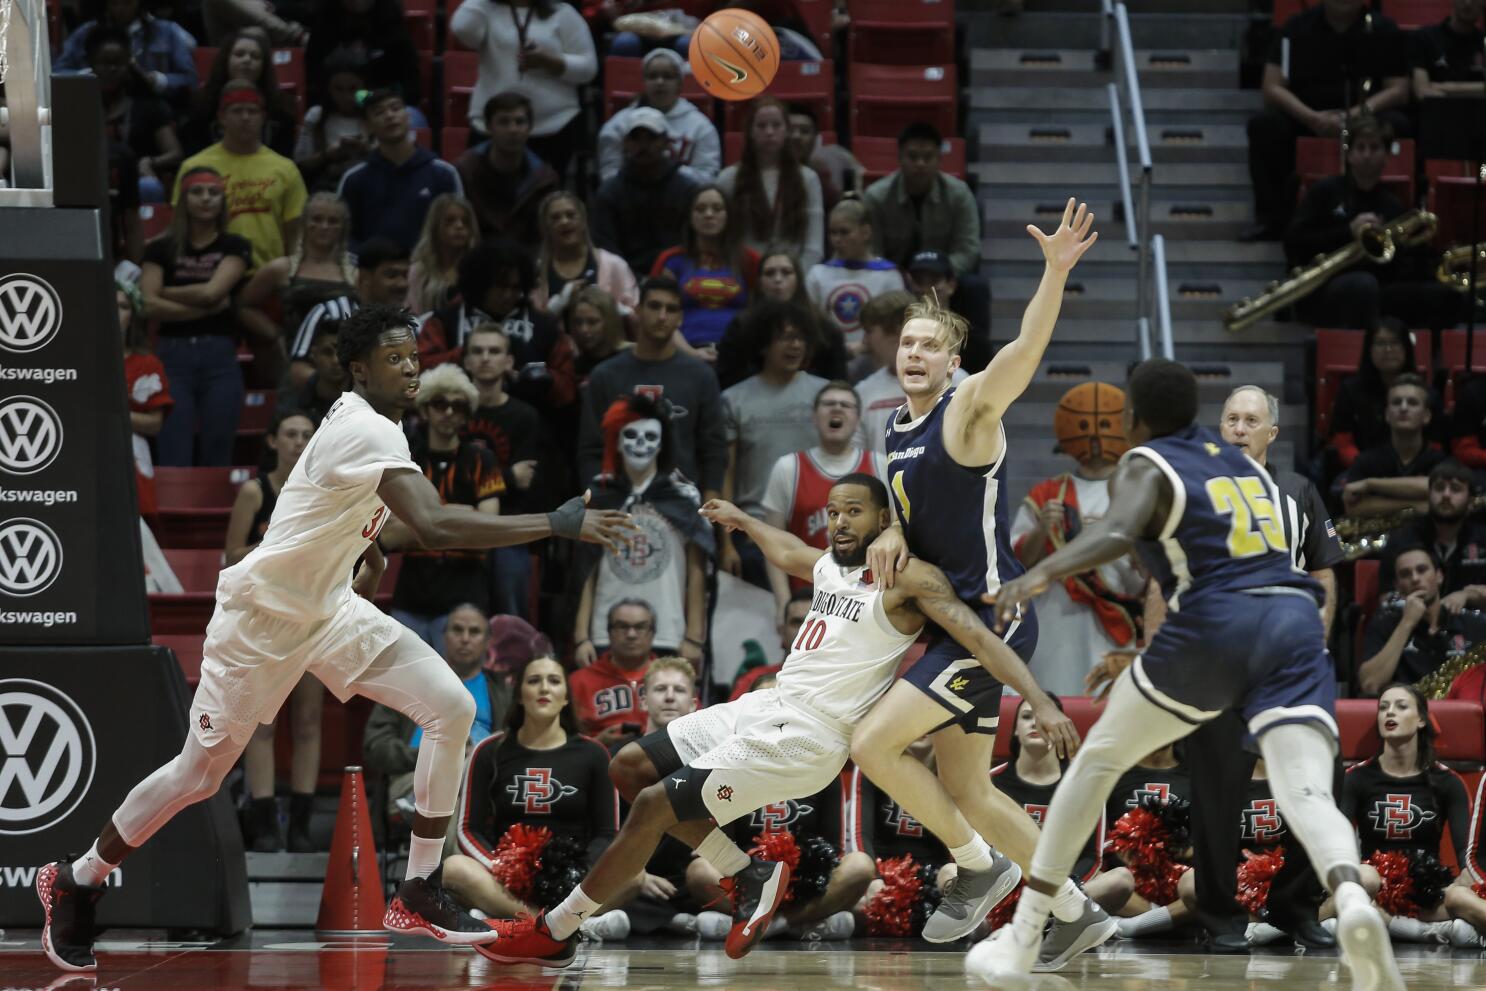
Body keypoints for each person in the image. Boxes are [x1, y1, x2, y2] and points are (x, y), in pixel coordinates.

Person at [35, 304, 634, 973]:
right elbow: (434, 527)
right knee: (197, 775)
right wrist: (554, 520)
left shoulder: (376, 430)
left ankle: (418, 886)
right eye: (394, 358)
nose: (411, 368)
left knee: (453, 705)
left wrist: (368, 545)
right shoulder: (362, 426)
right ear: (358, 369)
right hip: (261, 620)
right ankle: (77, 877)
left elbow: (371, 519)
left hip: (328, 608)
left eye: (416, 356)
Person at [487, 474, 1078, 966]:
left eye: (855, 512)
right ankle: (747, 875)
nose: (840, 521)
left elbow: (978, 636)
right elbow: (787, 550)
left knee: (651, 809)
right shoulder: (827, 566)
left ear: (883, 521)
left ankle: (557, 929)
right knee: (631, 768)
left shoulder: (908, 579)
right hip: (765, 708)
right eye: (834, 512)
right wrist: (744, 521)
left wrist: (1040, 699)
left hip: (808, 736)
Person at [967, 358, 1403, 991]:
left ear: (1130, 421)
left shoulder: (1146, 462)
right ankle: (1354, 902)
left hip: (1216, 621)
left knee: (1095, 766)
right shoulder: (1246, 467)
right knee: (1306, 789)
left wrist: (1037, 574)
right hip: (1294, 621)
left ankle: (1024, 936)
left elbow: (1117, 530)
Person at [852, 202, 1102, 959]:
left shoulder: (970, 411)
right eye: (908, 343)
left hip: (990, 618)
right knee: (971, 790)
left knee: (871, 745)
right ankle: (1075, 906)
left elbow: (1025, 348)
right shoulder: (890, 425)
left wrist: (1054, 273)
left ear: (955, 362)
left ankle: (979, 865)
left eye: (932, 344)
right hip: (948, 621)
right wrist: (892, 525)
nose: (916, 353)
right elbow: (900, 505)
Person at [1188, 383, 1348, 951]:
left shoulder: (1299, 491)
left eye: (1250, 420)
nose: (1238, 427)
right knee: (1216, 793)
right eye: (1230, 417)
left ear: (1271, 434)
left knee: (1321, 779)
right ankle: (1220, 914)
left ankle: (1293, 904)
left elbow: (1325, 572)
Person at [443, 655, 625, 932]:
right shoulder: (489, 751)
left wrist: (579, 873)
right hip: (507, 879)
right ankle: (558, 926)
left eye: (553, 681)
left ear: (566, 697)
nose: (544, 688)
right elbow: (467, 829)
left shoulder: (594, 754)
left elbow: (607, 833)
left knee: (634, 874)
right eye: (534, 681)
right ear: (519, 695)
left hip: (575, 878)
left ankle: (514, 919)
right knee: (454, 868)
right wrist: (502, 868)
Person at [223, 409, 321, 852]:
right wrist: (274, 544)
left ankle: (300, 825)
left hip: (312, 616)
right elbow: (230, 557)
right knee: (263, 723)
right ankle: (263, 822)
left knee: (306, 722)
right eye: (291, 434)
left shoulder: (324, 492)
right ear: (273, 441)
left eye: (307, 435)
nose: (299, 441)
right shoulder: (254, 490)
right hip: (264, 620)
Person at [1011, 382, 1145, 697]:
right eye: (1085, 425)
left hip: (1115, 617)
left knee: (1107, 706)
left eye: (1104, 424)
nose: (1096, 436)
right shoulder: (1046, 495)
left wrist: (1117, 539)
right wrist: (1042, 530)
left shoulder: (1137, 493)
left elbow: (1150, 572)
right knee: (1054, 702)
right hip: (1052, 621)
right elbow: (1017, 564)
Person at [573, 395, 712, 683]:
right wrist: (581, 635)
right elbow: (585, 569)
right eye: (631, 435)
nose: (640, 444)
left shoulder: (684, 496)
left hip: (669, 631)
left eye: (650, 437)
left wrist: (695, 637)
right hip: (605, 630)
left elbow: (698, 570)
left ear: (661, 445)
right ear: (618, 441)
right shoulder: (599, 495)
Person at [1244, 0, 1410, 240]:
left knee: (1399, 124)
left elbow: (1399, 89)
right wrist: (1311, 117)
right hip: (1308, 115)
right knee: (1264, 125)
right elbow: (1271, 87)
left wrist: (1353, 115)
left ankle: (1391, 213)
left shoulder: (1384, 28)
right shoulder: (1296, 26)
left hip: (1362, 119)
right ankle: (1272, 219)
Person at [1284, 115, 1460, 332]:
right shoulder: (1325, 191)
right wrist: (1348, 231)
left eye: (1375, 148)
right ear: (1349, 155)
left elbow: (1398, 268)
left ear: (1387, 156)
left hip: (1376, 289)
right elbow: (1293, 241)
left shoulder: (1393, 206)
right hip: (1322, 289)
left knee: (1447, 295)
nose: (1367, 155)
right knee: (1363, 285)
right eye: (1361, 147)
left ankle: (1424, 358)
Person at [1341, 684, 1485, 946]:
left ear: (1421, 720)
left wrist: (1461, 884)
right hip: (1374, 891)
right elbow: (1336, 847)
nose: (1389, 713)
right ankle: (1434, 932)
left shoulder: (1447, 782)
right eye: (1383, 707)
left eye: (1401, 706)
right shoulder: (1357, 778)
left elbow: (1468, 859)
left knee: (1461, 896)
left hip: (1428, 896)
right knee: (1360, 879)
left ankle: (1402, 928)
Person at [362, 603, 513, 830]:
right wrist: (432, 754)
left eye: (474, 632)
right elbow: (374, 747)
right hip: (414, 779)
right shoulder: (407, 683)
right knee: (460, 803)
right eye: (457, 630)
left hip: (480, 782)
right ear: (443, 637)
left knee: (458, 803)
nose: (465, 638)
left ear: (487, 641)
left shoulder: (503, 692)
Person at [141, 166, 252, 467]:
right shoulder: (160, 248)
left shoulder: (235, 245)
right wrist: (205, 304)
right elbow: (147, 305)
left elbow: (211, 294)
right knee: (172, 449)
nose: (206, 199)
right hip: (171, 356)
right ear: (184, 199)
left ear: (223, 202)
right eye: (197, 192)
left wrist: (166, 291)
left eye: (213, 193)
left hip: (219, 353)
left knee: (218, 447)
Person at [577, 276, 727, 497]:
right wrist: (597, 501)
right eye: (654, 306)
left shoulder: (701, 376)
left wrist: (710, 510)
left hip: (682, 504)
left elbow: (713, 450)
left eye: (671, 309)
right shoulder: (605, 375)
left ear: (680, 318)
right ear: (637, 310)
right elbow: (590, 451)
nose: (662, 316)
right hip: (618, 505)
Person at [391, 365, 505, 647]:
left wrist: (423, 522)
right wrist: (465, 516)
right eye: (440, 404)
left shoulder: (482, 459)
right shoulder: (405, 459)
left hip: (465, 599)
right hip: (411, 597)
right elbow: (389, 534)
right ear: (425, 409)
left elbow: (487, 535)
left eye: (458, 406)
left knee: (455, 687)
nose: (449, 412)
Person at [719, 302, 828, 584]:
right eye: (785, 337)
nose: (795, 345)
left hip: (818, 528)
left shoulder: (826, 395)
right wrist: (727, 544)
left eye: (801, 338)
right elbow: (726, 471)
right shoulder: (734, 399)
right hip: (755, 532)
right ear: (764, 344)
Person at [762, 380, 886, 625]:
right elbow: (772, 543)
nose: (837, 409)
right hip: (807, 601)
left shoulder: (881, 465)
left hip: (865, 600)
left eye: (845, 405)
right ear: (814, 416)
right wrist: (783, 604)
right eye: (829, 404)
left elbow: (895, 533)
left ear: (858, 418)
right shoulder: (789, 468)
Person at [414, 239, 578, 420]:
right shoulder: (446, 320)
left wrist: (544, 380)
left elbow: (568, 390)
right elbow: (419, 370)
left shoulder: (544, 326)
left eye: (515, 287)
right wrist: (466, 357)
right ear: (481, 284)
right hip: (456, 420)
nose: (508, 294)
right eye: (500, 286)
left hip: (527, 423)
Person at [991, 698, 1127, 912]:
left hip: (1065, 890)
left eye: (1045, 719)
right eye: (1027, 717)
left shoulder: (1084, 786)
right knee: (950, 873)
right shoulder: (989, 782)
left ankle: (1045, 919)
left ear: (1060, 729)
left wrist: (1062, 888)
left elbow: (1092, 856)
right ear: (1015, 730)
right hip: (1002, 890)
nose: (1035, 723)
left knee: (1120, 880)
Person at [448, 0, 598, 176]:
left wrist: (550, 62)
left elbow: (589, 69)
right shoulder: (486, 10)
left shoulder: (563, 13)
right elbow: (461, 29)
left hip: (553, 127)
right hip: (493, 128)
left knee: (545, 198)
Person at [174, 79, 307, 272]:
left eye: (252, 111)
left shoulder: (285, 169)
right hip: (207, 272)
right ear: (221, 116)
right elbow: (180, 227)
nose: (245, 117)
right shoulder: (193, 166)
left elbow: (295, 235)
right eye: (236, 111)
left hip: (268, 276)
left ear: (263, 117)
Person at [461, 324, 543, 618]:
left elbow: (527, 480)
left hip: (509, 528)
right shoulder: (450, 411)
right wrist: (507, 477)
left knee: (510, 605)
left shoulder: (525, 416)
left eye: (494, 351)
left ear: (509, 362)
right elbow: (515, 477)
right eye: (477, 351)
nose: (485, 358)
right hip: (457, 526)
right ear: (466, 361)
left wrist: (470, 485)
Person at [239, 192, 358, 385]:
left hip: (343, 368)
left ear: (344, 227)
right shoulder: (280, 269)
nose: (324, 227)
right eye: (317, 219)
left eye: (333, 221)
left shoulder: (355, 274)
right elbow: (244, 306)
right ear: (304, 223)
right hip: (293, 362)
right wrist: (274, 333)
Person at [337, 90, 464, 254]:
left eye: (395, 108)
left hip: (431, 270)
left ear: (408, 116)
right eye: (379, 112)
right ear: (367, 126)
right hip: (372, 273)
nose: (389, 116)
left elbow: (459, 229)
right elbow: (343, 236)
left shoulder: (443, 173)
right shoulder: (354, 179)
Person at [1358, 546, 1486, 695]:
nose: (1415, 578)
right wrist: (1407, 623)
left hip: (1460, 712)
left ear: (1439, 576)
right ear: (1397, 585)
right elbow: (1370, 684)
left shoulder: (1471, 623)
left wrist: (1469, 594)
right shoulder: (1384, 624)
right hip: (1408, 713)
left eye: (1422, 570)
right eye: (1405, 574)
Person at [652, 185, 760, 358]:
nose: (709, 214)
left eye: (717, 209)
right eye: (700, 209)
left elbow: (761, 315)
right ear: (690, 216)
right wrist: (692, 354)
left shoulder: (749, 260)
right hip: (683, 354)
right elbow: (657, 318)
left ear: (728, 215)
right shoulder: (671, 261)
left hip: (739, 355)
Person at [286, 237, 411, 386]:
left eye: (405, 275)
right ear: (365, 277)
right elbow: (298, 370)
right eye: (391, 275)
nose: (402, 284)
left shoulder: (411, 324)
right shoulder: (327, 312)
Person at [715, 249, 846, 389]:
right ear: (759, 282)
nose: (778, 279)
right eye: (769, 273)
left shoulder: (825, 328)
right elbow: (726, 381)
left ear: (798, 279)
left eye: (786, 272)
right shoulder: (741, 326)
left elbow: (839, 385)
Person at [852, 290, 964, 454]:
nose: (864, 341)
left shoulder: (960, 382)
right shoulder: (863, 391)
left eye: (869, 331)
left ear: (895, 331)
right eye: (907, 343)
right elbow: (858, 458)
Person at [718, 96, 825, 268]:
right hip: (745, 272)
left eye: (776, 125)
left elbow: (814, 246)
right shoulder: (728, 178)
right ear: (750, 132)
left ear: (786, 131)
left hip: (793, 273)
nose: (769, 132)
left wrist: (795, 278)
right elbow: (723, 238)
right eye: (761, 126)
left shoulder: (808, 179)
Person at [591, 109, 700, 276]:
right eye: (636, 138)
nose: (643, 145)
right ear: (626, 143)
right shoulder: (609, 194)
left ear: (666, 142)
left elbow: (693, 246)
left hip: (677, 277)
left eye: (651, 138)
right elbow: (607, 251)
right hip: (625, 280)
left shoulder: (687, 191)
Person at [863, 122, 981, 276]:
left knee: (976, 288)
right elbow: (872, 252)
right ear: (900, 158)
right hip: (891, 279)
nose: (920, 163)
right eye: (912, 157)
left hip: (943, 278)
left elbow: (968, 250)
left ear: (939, 159)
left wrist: (938, 275)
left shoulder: (959, 194)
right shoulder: (876, 197)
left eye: (928, 157)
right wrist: (895, 277)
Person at [88, 25, 183, 203]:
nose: (112, 69)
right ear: (92, 66)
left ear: (129, 66)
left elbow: (175, 153)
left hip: (137, 180)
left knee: (148, 187)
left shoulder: (150, 107)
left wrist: (150, 162)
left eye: (118, 63)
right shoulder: (80, 108)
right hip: (92, 179)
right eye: (105, 63)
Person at [598, 48, 720, 183]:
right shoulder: (618, 125)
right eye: (652, 76)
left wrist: (667, 172)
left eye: (667, 76)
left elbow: (707, 179)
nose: (659, 82)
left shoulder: (701, 127)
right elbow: (609, 177)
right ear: (643, 82)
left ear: (680, 84)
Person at [455, 92, 561, 246]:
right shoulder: (464, 171)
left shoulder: (545, 180)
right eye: (504, 122)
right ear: (488, 127)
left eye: (520, 122)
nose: (513, 129)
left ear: (530, 127)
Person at [806, 199, 906, 354]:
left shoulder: (888, 276)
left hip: (876, 360)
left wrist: (864, 347)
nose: (837, 240)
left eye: (844, 232)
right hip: (829, 358)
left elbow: (896, 328)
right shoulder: (817, 274)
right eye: (833, 232)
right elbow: (809, 324)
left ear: (865, 232)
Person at [181, 29, 299, 161]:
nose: (247, 60)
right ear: (226, 60)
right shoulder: (201, 104)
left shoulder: (281, 108)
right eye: (239, 54)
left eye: (255, 56)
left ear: (264, 66)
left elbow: (284, 160)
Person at [1328, 318, 1428, 471]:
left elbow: (1435, 445)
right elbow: (1343, 443)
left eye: (1395, 342)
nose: (1388, 350)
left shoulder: (1425, 391)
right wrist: (1367, 468)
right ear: (1369, 349)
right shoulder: (1350, 390)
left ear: (1406, 348)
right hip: (1360, 469)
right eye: (1380, 343)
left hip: (1415, 470)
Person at [1340, 374, 1445, 517]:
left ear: (1426, 416)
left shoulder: (1440, 460)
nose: (1403, 408)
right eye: (1396, 402)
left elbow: (1438, 487)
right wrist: (1413, 504)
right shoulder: (1366, 460)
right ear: (1387, 414)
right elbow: (1352, 507)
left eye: (1412, 402)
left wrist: (1371, 485)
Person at [56, 0, 199, 104]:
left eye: (126, 2)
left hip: (151, 105)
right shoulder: (87, 32)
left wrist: (156, 80)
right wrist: (89, 75)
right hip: (97, 105)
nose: (120, 9)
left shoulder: (168, 32)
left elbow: (190, 79)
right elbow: (57, 73)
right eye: (114, 3)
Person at [571, 598, 659, 748]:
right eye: (622, 626)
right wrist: (597, 742)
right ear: (609, 632)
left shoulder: (673, 677)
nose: (631, 634)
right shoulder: (579, 681)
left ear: (652, 633)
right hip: (601, 762)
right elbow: (564, 741)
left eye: (640, 627)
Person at [119, 279, 172, 521]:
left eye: (123, 306)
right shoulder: (77, 361)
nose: (115, 313)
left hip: (131, 453)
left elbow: (154, 424)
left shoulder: (147, 364)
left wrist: (111, 414)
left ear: (134, 315)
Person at [1391, 460, 1486, 595]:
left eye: (1455, 489)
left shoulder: (1483, 538)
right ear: (1428, 496)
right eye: (1439, 488)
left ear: (1470, 502)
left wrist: (1467, 595)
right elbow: (1387, 597)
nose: (1446, 495)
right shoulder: (1402, 538)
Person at [304, 0, 421, 109]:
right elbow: (313, 73)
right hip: (335, 105)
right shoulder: (323, 21)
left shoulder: (392, 23)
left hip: (380, 104)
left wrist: (366, 98)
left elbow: (410, 81)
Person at [536, 191, 639, 315]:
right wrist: (558, 304)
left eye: (570, 215)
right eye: (555, 218)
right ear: (545, 227)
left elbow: (636, 317)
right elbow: (529, 324)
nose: (564, 222)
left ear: (583, 220)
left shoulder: (614, 265)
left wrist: (609, 305)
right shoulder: (536, 271)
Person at [293, 48, 373, 193]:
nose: (346, 96)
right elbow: (301, 164)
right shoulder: (317, 115)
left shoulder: (374, 113)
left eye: (353, 88)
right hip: (328, 188)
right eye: (338, 89)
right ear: (328, 89)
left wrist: (365, 149)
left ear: (363, 86)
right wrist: (327, 154)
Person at [905, 249, 992, 376]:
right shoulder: (900, 332)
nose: (926, 288)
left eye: (933, 281)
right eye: (919, 281)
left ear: (951, 285)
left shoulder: (973, 343)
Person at [406, 194, 481, 315]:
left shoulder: (479, 269)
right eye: (450, 221)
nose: (459, 226)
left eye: (465, 221)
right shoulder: (418, 272)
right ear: (435, 227)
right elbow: (411, 315)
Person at [788, 102, 863, 204]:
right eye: (790, 130)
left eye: (804, 131)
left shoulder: (838, 159)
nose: (796, 136)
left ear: (816, 138)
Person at [1410, 0, 1486, 98]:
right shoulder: (1424, 38)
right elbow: (1422, 92)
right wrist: (1478, 89)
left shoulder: (1483, 42)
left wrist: (1442, 87)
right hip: (1436, 111)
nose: (1468, 2)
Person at [566, 286, 631, 383]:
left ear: (609, 321)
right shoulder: (574, 367)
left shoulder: (629, 360)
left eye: (592, 322)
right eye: (578, 322)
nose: (584, 329)